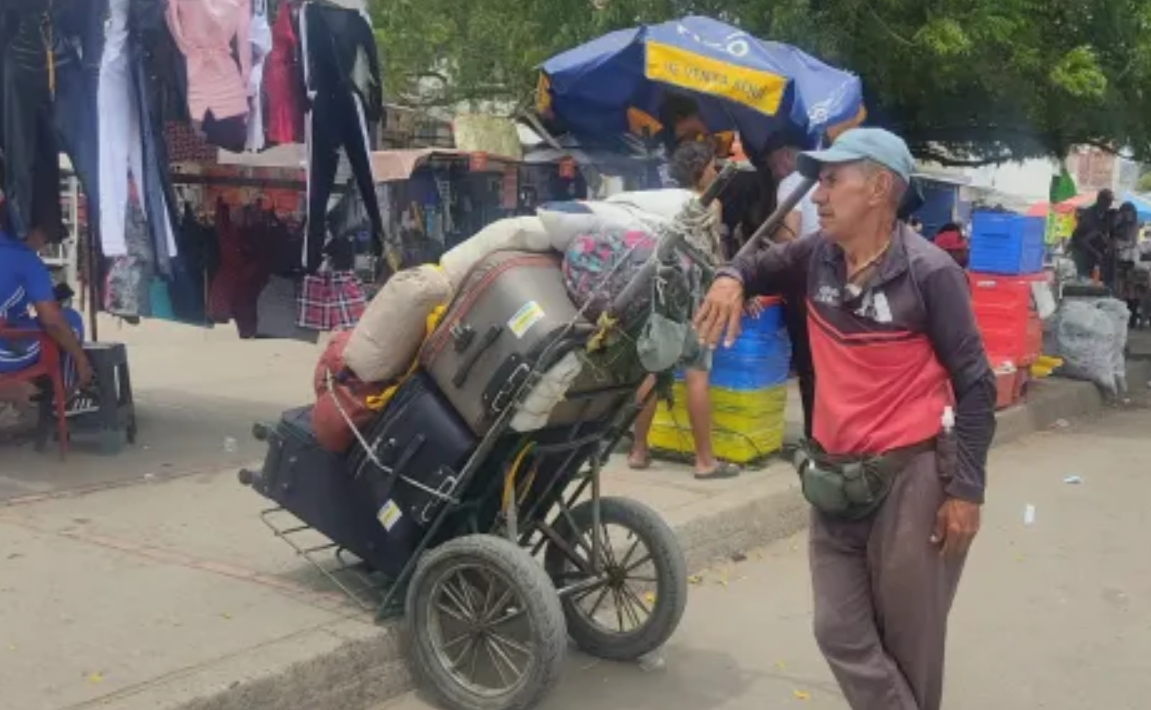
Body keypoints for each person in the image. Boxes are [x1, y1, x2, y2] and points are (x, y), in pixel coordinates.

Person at [694, 128, 996, 710]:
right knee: (837, 629)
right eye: (818, 181)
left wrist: (967, 490)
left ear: (880, 187)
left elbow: (976, 384)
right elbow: (752, 264)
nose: (818, 196)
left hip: (912, 478)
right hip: (833, 476)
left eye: (833, 180)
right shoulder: (817, 257)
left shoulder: (930, 273)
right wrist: (730, 278)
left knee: (910, 643)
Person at [628, 140, 741, 480]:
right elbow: (712, 257)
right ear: (699, 170)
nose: (716, 171)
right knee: (696, 374)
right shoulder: (709, 204)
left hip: (662, 295)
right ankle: (705, 461)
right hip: (693, 298)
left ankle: (638, 450)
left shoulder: (662, 202)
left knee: (653, 369)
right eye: (711, 166)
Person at [762, 133, 819, 440]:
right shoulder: (826, 179)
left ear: (784, 156)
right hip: (831, 274)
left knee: (806, 362)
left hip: (802, 278)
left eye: (773, 166)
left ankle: (814, 435)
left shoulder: (791, 184)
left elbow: (789, 235)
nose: (773, 173)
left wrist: (772, 247)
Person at [0, 220, 94, 393]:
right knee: (70, 321)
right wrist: (81, 358)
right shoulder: (26, 259)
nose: (46, 243)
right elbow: (52, 321)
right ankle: (70, 395)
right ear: (34, 231)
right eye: (47, 236)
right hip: (3, 354)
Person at [1069, 189, 1114, 279]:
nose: (1110, 204)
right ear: (1100, 200)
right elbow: (1083, 240)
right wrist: (1096, 252)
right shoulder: (1089, 214)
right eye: (1108, 201)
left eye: (1110, 202)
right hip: (1080, 250)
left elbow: (1102, 234)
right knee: (1084, 278)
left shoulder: (1105, 215)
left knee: (1094, 277)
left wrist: (1107, 244)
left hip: (1092, 251)